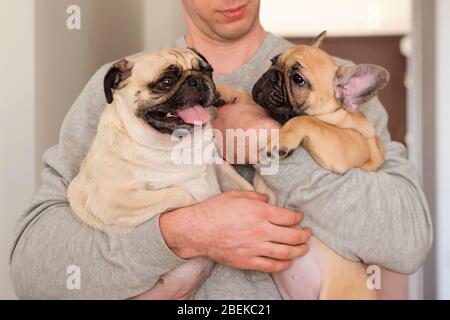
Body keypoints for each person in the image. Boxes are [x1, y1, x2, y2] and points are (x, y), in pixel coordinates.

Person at [10, 0, 432, 299]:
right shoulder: (124, 87)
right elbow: (33, 268)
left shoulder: (334, 88)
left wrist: (271, 144)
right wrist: (184, 233)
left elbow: (408, 240)